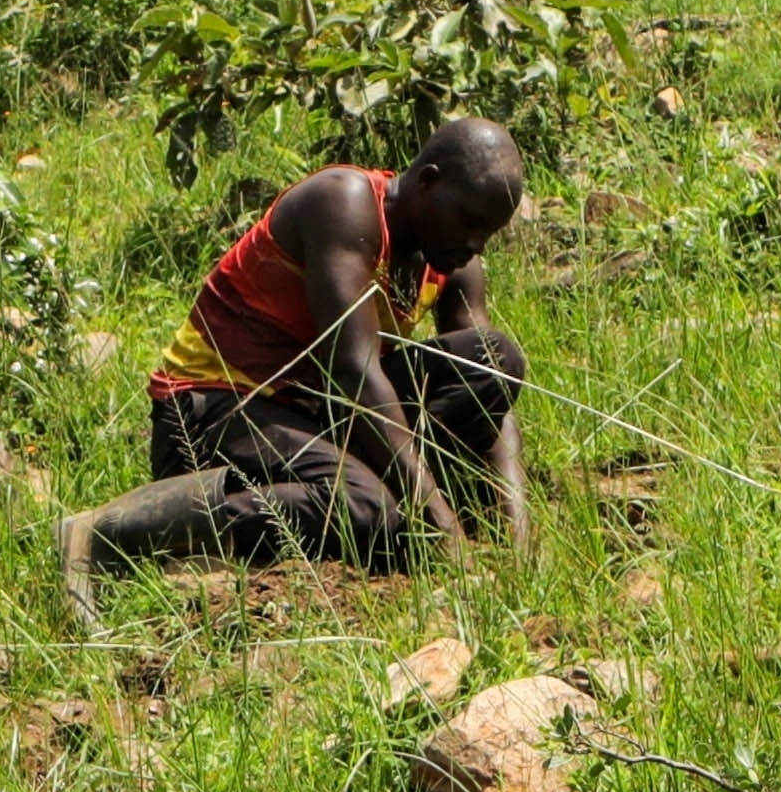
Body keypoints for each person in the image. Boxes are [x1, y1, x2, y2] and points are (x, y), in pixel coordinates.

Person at [61, 114, 533, 616]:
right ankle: (116, 531)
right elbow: (354, 370)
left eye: (488, 232)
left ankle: (374, 500)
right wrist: (442, 525)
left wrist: (519, 534)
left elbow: (492, 397)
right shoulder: (345, 203)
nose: (476, 244)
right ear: (427, 182)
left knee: (494, 357)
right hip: (216, 408)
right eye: (468, 220)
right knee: (369, 509)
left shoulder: (451, 257)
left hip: (311, 414)